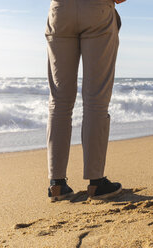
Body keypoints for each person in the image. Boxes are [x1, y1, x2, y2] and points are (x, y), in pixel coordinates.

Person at [45, 0, 126, 202]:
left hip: (60, 11)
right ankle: (96, 181)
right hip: (97, 10)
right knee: (96, 100)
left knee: (59, 101)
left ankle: (57, 184)